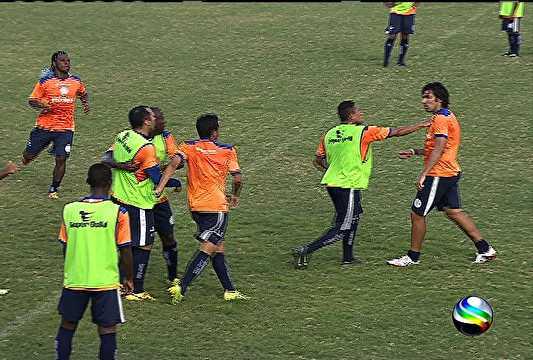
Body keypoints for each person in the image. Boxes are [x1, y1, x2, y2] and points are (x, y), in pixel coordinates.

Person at [292, 100, 430, 269]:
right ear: (351, 116)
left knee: (355, 215)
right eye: (358, 111)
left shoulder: (329, 134)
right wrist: (421, 125)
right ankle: (306, 250)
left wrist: (333, 169)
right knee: (343, 226)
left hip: (333, 183)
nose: (362, 113)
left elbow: (318, 159)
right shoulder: (364, 132)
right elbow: (397, 132)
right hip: (348, 184)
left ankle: (348, 258)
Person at [387, 82, 497, 267]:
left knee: (417, 214)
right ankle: (486, 250)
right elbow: (438, 148)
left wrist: (424, 174)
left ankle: (412, 257)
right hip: (450, 171)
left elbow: (439, 149)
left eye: (428, 97)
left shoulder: (440, 120)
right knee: (453, 211)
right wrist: (415, 151)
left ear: (440, 99)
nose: (424, 101)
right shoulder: (445, 116)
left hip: (439, 174)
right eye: (423, 97)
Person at [155, 113, 249, 303]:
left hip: (196, 206)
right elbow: (237, 178)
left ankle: (229, 290)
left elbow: (174, 163)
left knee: (218, 247)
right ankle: (182, 286)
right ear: (214, 133)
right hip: (216, 207)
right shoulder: (227, 150)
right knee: (209, 247)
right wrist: (236, 196)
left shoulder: (188, 146)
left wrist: (160, 187)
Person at [55, 163, 133, 360]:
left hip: (75, 279)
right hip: (105, 282)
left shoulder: (69, 210)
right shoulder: (118, 213)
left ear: (88, 182)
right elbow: (125, 250)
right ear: (109, 183)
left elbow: (65, 245)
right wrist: (129, 279)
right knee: (107, 330)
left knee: (67, 325)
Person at [102, 107, 181, 290]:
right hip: (141, 200)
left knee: (166, 238)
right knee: (142, 244)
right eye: (156, 118)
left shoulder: (130, 136)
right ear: (147, 121)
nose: (161, 121)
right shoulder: (144, 146)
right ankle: (133, 287)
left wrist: (177, 161)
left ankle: (172, 276)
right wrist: (173, 177)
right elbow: (107, 157)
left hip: (149, 200)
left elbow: (177, 159)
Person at [21, 51, 90, 199]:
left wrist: (85, 103)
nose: (66, 63)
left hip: (65, 129)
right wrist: (41, 104)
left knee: (61, 158)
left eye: (68, 61)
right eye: (62, 61)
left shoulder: (75, 81)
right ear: (54, 63)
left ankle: (54, 189)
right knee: (28, 156)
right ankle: (32, 154)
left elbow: (83, 93)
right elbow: (31, 100)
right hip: (44, 127)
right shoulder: (45, 82)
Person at [383, 2, 419, 67]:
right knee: (392, 35)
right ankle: (386, 61)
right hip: (396, 11)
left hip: (409, 12)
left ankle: (401, 61)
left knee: (405, 36)